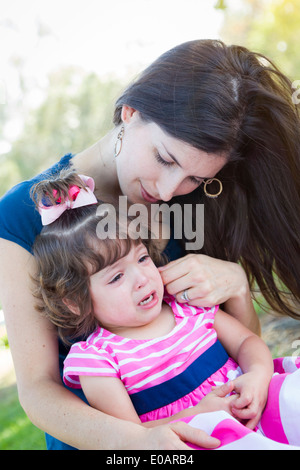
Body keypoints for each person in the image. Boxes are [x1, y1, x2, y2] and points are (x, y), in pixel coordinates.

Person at [0, 39, 299, 449]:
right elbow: (38, 391)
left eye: (195, 177)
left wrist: (238, 287)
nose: (170, 189)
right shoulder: (22, 213)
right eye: (165, 158)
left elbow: (237, 347)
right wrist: (147, 443)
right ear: (131, 113)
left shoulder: (200, 197)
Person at [32, 170, 300, 450]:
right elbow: (130, 436)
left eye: (143, 257)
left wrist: (257, 375)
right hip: (200, 441)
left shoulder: (187, 308)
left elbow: (247, 341)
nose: (142, 278)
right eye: (116, 277)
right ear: (74, 301)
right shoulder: (99, 359)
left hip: (258, 406)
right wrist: (196, 415)